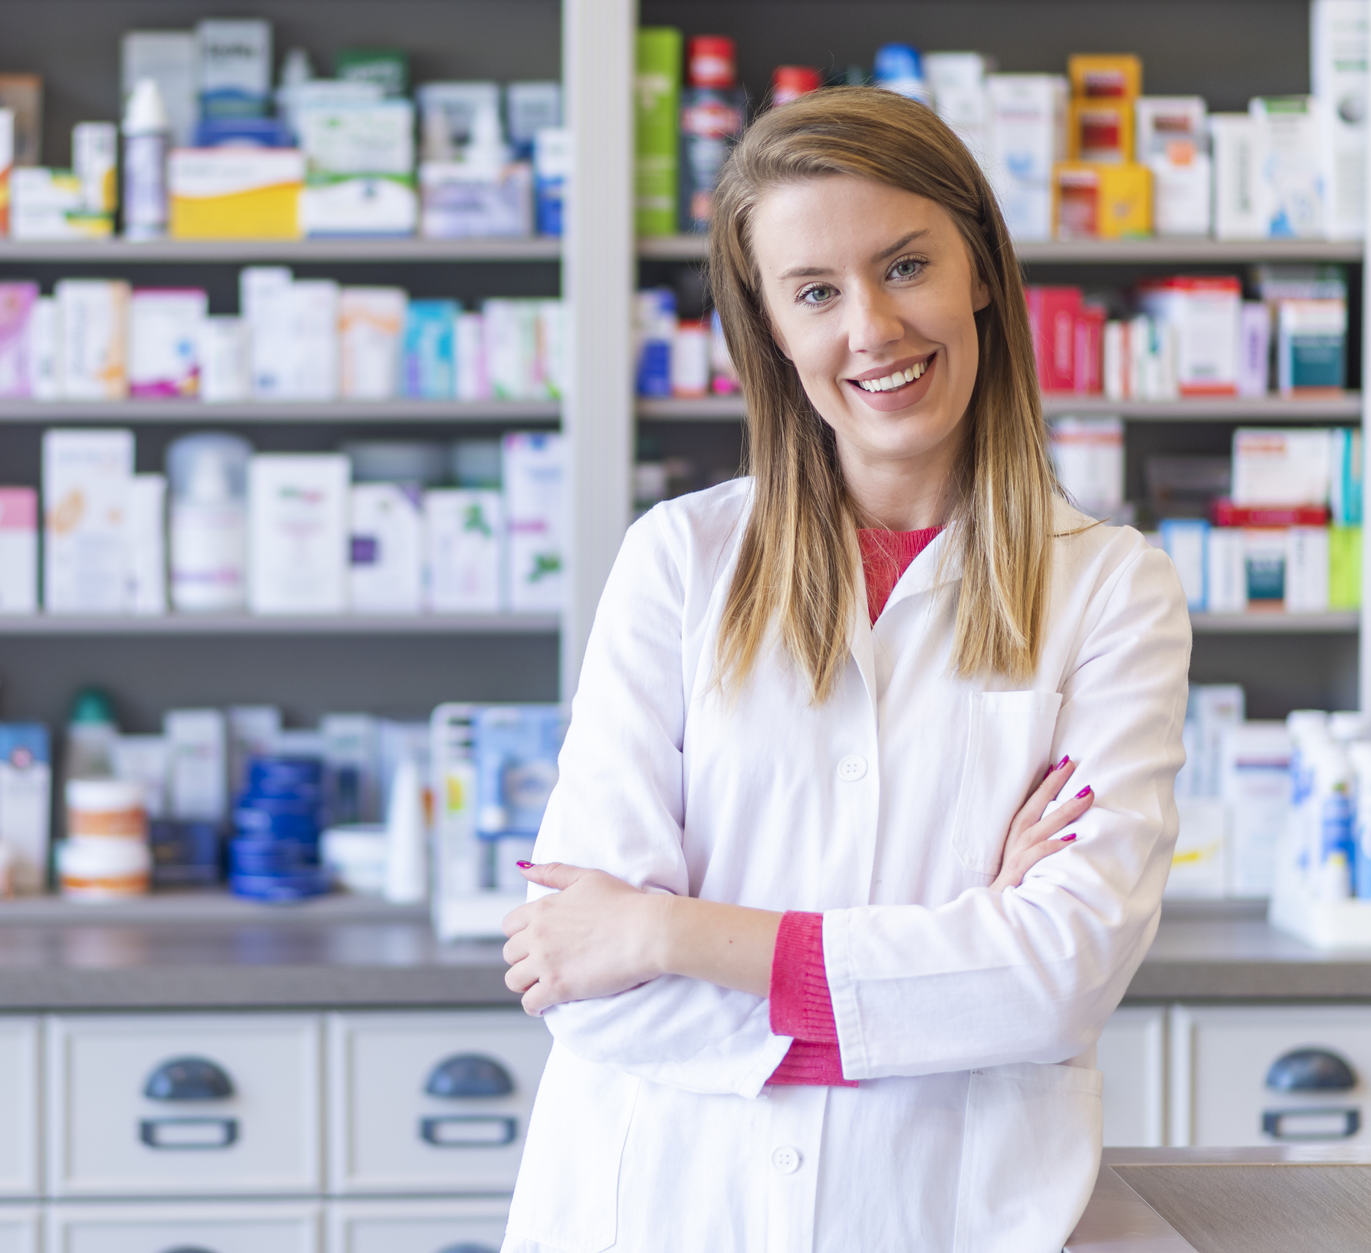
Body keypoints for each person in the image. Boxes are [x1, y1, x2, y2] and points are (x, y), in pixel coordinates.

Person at [496, 87, 1190, 1252]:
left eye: (904, 264)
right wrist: (953, 964)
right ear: (769, 326)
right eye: (814, 291)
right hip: (660, 1211)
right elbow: (587, 974)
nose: (869, 326)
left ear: (978, 268)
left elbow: (1057, 978)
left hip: (934, 1217)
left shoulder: (1111, 591)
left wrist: (670, 932)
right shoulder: (679, 561)